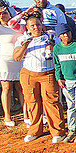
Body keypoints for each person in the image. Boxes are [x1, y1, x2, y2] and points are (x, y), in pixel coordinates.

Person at [13, 14, 65, 144]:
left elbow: (61, 53)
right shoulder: (22, 39)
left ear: (42, 25)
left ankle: (57, 131)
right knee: (32, 101)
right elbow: (17, 57)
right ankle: (35, 130)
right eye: (32, 25)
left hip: (48, 73)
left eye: (38, 24)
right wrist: (24, 46)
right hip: (29, 74)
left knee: (51, 101)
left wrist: (52, 47)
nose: (36, 27)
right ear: (27, 27)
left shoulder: (51, 38)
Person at [52, 26, 76, 142]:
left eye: (67, 32)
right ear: (59, 36)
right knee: (70, 106)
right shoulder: (57, 48)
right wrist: (59, 78)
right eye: (63, 34)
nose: (66, 35)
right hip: (67, 81)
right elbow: (57, 64)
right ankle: (72, 129)